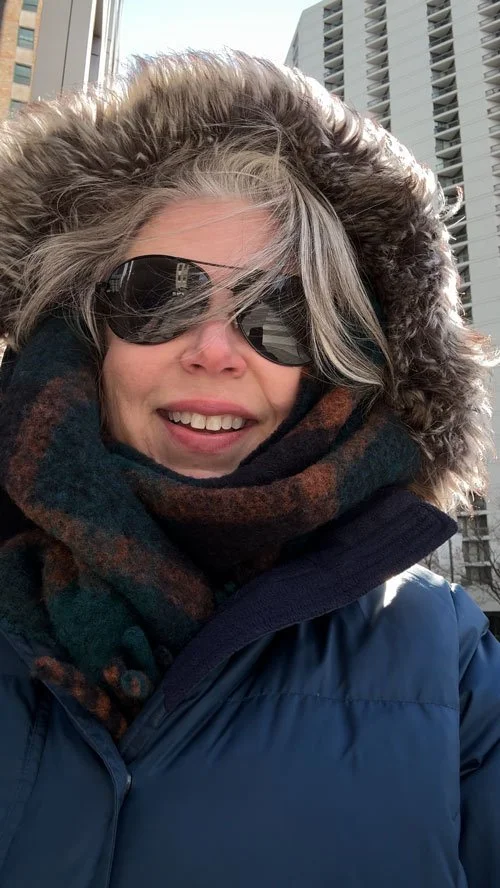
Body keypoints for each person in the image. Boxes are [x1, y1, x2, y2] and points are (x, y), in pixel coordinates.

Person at [0, 48, 498, 888]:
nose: (215, 350)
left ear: (333, 364)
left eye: (282, 315)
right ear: (86, 328)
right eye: (159, 294)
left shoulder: (447, 662)